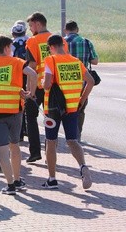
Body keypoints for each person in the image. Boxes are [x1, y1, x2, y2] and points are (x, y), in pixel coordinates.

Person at [0, 35, 37, 195]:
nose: (11, 50)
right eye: (10, 48)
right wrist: (30, 93)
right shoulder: (16, 62)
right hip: (14, 110)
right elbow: (33, 74)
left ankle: (10, 184)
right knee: (14, 146)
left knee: (2, 151)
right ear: (6, 48)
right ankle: (17, 180)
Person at [42, 34, 94, 190]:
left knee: (51, 142)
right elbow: (90, 81)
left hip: (53, 108)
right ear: (63, 45)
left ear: (51, 47)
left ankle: (52, 179)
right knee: (72, 140)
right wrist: (82, 99)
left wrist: (42, 81)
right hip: (72, 107)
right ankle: (83, 166)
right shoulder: (76, 62)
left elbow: (47, 84)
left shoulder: (51, 60)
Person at [24, 12, 67, 163]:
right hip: (56, 86)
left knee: (30, 116)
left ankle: (35, 152)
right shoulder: (60, 40)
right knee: (52, 119)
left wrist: (30, 91)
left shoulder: (33, 41)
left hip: (39, 85)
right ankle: (51, 155)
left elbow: (32, 67)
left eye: (30, 25)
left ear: (37, 24)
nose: (30, 29)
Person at [64, 20, 99, 141]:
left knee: (63, 108)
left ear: (65, 30)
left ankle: (67, 134)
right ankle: (76, 135)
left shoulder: (61, 43)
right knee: (80, 108)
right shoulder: (86, 42)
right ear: (77, 29)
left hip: (64, 81)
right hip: (82, 82)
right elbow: (95, 61)